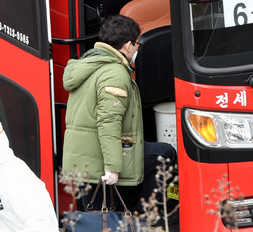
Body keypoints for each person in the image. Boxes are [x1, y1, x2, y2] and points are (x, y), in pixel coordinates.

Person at [62, 14, 176, 213]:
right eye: (137, 44)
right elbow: (108, 122)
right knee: (165, 154)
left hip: (83, 156)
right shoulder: (115, 72)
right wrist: (112, 167)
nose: (137, 49)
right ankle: (148, 213)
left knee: (98, 217)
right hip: (99, 157)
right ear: (128, 45)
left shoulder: (89, 63)